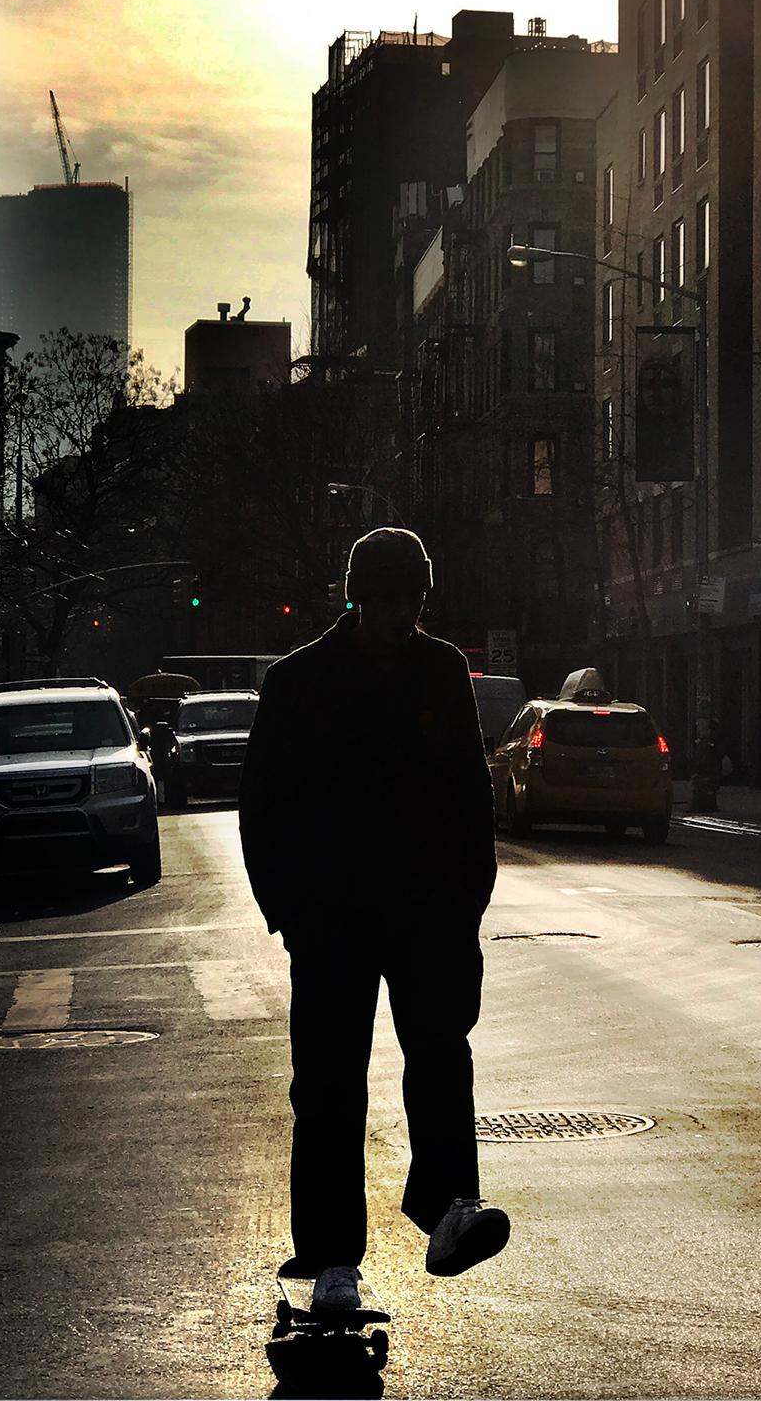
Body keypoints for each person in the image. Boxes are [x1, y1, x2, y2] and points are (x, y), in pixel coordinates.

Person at [238, 527, 509, 1312]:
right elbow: (264, 806)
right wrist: (286, 909)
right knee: (327, 1086)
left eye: (416, 600)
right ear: (358, 597)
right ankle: (331, 1263)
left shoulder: (442, 670)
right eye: (391, 599)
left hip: (429, 916)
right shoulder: (298, 682)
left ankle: (451, 1209)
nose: (405, 614)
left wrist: (469, 898)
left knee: (440, 1060)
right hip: (332, 919)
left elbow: (471, 793)